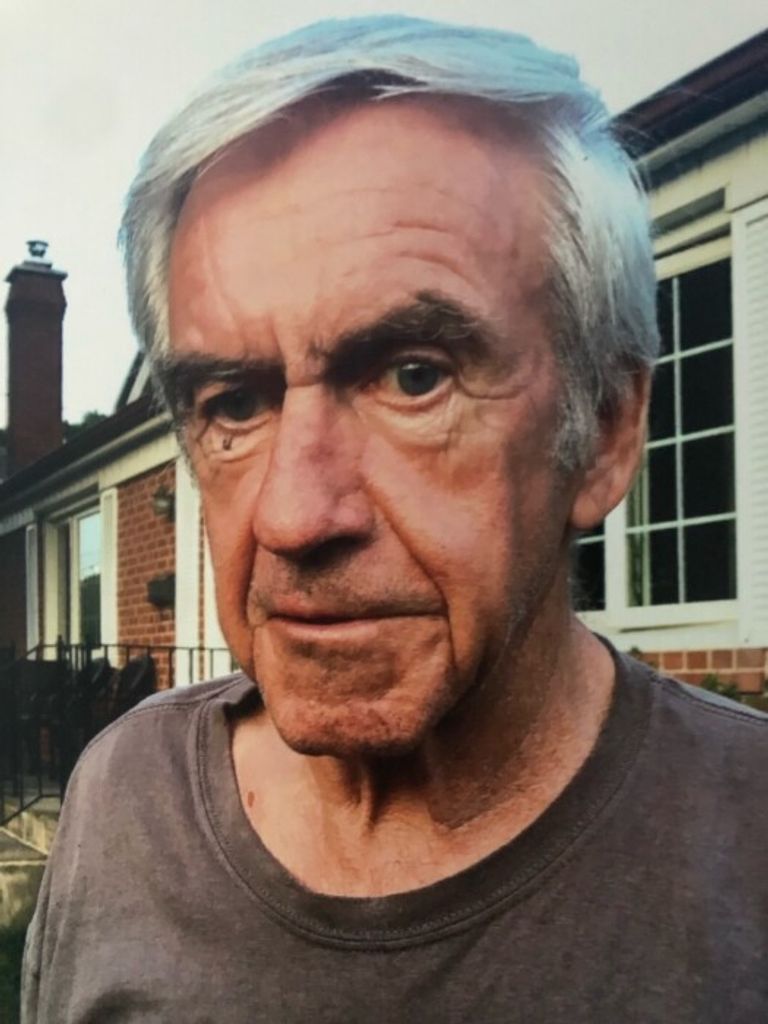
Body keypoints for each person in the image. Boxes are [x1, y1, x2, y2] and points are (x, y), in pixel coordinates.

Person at [22, 16, 767, 1023]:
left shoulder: (744, 844)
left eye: (415, 377)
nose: (294, 516)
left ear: (604, 431)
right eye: (233, 404)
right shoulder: (125, 800)